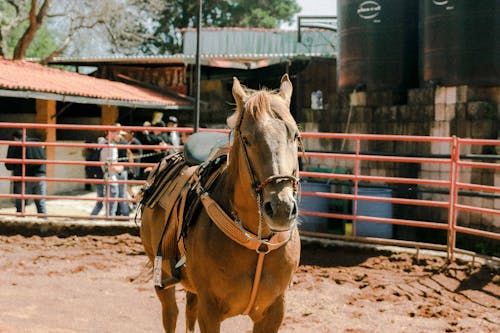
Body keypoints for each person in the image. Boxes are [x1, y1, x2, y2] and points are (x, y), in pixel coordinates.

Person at [4, 129, 47, 215]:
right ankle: (43, 221)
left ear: (15, 138)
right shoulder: (37, 143)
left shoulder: (14, 145)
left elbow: (9, 165)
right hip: (39, 176)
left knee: (21, 203)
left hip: (22, 177)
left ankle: (20, 221)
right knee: (40, 202)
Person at [90, 136, 123, 217]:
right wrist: (121, 168)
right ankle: (110, 223)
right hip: (110, 179)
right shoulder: (111, 147)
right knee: (111, 207)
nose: (120, 136)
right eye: (118, 133)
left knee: (100, 203)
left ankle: (90, 219)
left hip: (100, 177)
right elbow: (112, 167)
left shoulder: (101, 145)